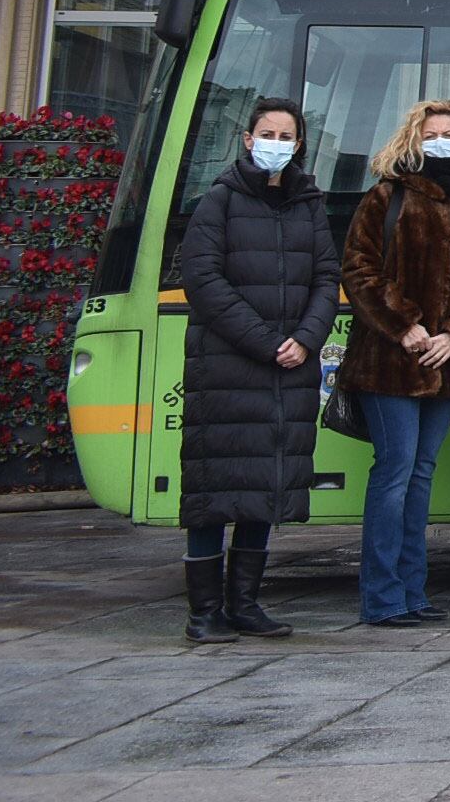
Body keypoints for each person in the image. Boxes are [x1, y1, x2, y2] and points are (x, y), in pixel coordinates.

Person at [175, 96, 340, 643]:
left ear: (298, 145)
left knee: (266, 485)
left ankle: (245, 604)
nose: (276, 144)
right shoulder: (218, 201)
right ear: (247, 140)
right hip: (228, 369)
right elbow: (203, 282)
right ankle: (204, 614)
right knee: (213, 492)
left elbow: (325, 277)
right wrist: (271, 342)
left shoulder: (308, 204)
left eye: (286, 136)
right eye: (266, 133)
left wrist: (308, 338)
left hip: (288, 368)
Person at [337, 99, 450, 629]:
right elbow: (359, 269)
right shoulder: (387, 196)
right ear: (414, 138)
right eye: (431, 133)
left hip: (448, 364)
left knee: (421, 475)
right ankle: (383, 595)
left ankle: (413, 591)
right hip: (389, 363)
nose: (441, 141)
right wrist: (406, 326)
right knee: (394, 472)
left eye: (449, 134)